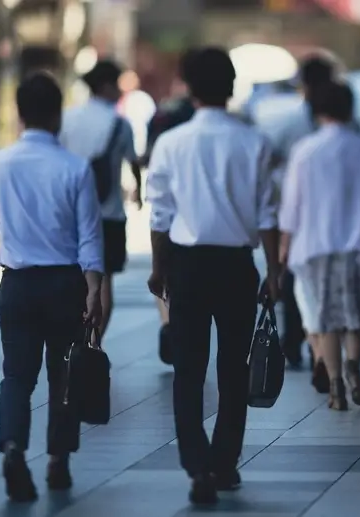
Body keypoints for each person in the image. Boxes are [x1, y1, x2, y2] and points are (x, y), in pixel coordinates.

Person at [145, 47, 280, 505]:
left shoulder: (171, 142)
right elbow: (267, 213)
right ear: (231, 85)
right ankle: (224, 463)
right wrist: (274, 270)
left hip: (187, 264)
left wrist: (159, 268)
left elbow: (159, 214)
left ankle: (196, 465)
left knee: (188, 368)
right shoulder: (254, 142)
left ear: (188, 85)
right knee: (233, 370)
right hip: (237, 267)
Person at [0, 72, 104, 502]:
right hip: (64, 283)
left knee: (16, 375)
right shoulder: (75, 167)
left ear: (19, 114)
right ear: (57, 116)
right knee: (63, 376)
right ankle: (58, 462)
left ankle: (13, 447)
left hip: (16, 284)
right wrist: (94, 289)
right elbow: (90, 235)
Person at [279, 80, 360, 410]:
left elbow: (290, 208)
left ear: (317, 111)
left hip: (312, 248)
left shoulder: (305, 150)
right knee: (353, 315)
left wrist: (283, 247)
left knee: (324, 319)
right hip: (353, 245)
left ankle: (336, 386)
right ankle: (354, 367)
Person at [256, 55, 336, 383]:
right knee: (329, 279)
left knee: (290, 275)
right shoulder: (340, 120)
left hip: (293, 209)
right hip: (330, 211)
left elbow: (270, 159)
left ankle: (296, 342)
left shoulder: (289, 122)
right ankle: (328, 345)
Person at [59, 59, 142, 346]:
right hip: (108, 212)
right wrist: (139, 194)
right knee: (104, 282)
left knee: (73, 279)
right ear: (107, 86)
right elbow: (133, 163)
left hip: (69, 212)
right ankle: (93, 344)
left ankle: (73, 342)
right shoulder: (120, 123)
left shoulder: (67, 118)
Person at [141, 49, 198, 366]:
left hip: (171, 211)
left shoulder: (163, 114)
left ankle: (167, 323)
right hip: (200, 219)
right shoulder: (194, 113)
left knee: (167, 280)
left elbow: (159, 214)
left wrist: (155, 266)